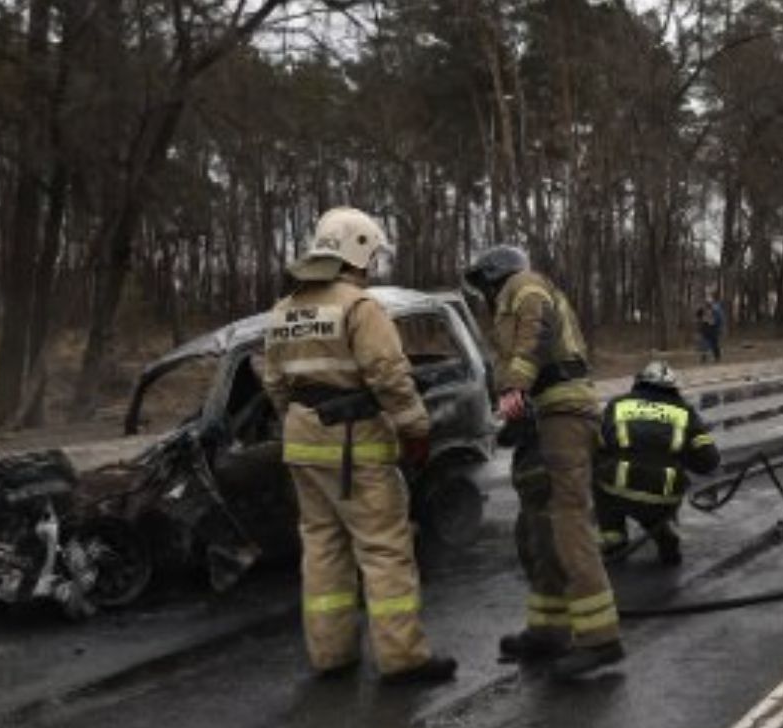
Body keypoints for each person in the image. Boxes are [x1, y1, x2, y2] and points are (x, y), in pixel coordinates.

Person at [263, 206, 456, 685]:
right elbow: (389, 376)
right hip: (356, 445)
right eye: (371, 256)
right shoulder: (359, 307)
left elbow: (274, 382)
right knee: (384, 549)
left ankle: (331, 654)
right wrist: (415, 429)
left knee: (323, 548)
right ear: (359, 249)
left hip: (303, 444)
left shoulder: (285, 310)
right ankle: (403, 658)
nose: (372, 267)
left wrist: (300, 418)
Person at [463, 245, 624, 680]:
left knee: (569, 522)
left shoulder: (524, 285)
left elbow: (535, 324)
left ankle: (600, 638)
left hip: (564, 414)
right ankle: (548, 630)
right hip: (548, 413)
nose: (487, 296)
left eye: (486, 286)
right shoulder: (512, 295)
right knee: (540, 524)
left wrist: (515, 385)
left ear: (497, 275)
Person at [594, 360, 721, 566]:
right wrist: (681, 458)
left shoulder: (618, 405)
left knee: (600, 474)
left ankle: (613, 537)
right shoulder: (684, 412)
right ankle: (663, 535)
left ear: (639, 382)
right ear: (673, 388)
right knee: (653, 497)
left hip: (617, 490)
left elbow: (597, 445)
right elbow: (709, 461)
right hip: (663, 497)